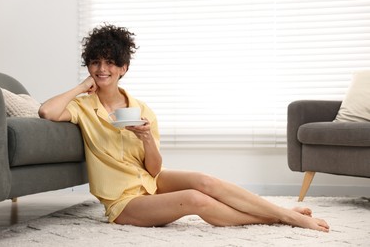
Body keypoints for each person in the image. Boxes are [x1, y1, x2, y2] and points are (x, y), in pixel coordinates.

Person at [38, 23, 329, 232]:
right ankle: (282, 217)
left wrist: (147, 138)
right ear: (88, 66)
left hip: (148, 182)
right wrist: (81, 87)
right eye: (95, 62)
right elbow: (46, 111)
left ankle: (279, 211)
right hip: (123, 202)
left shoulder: (141, 110)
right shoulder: (82, 107)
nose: (102, 69)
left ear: (123, 68)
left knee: (205, 181)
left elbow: (153, 170)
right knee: (194, 199)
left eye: (110, 62)